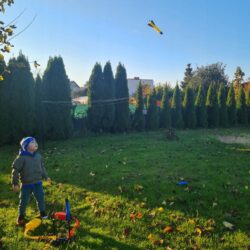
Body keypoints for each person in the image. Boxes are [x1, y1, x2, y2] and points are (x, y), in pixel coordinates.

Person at [11, 137, 51, 226]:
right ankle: (21, 216)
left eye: (36, 142)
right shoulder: (21, 158)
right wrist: (15, 183)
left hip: (38, 183)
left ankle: (43, 212)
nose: (36, 143)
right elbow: (15, 170)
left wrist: (46, 177)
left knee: (40, 197)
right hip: (26, 184)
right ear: (26, 146)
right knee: (24, 201)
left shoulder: (38, 156)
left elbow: (42, 168)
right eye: (32, 142)